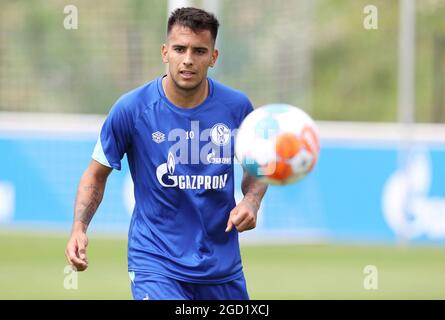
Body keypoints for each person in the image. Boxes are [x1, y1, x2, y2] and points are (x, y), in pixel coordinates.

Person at [65, 7, 268, 300]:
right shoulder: (132, 109)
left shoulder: (236, 107)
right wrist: (79, 228)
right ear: (164, 52)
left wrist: (251, 201)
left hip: (221, 267)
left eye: (199, 51)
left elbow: (257, 166)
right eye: (179, 49)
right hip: (155, 263)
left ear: (213, 57)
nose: (188, 59)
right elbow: (95, 174)